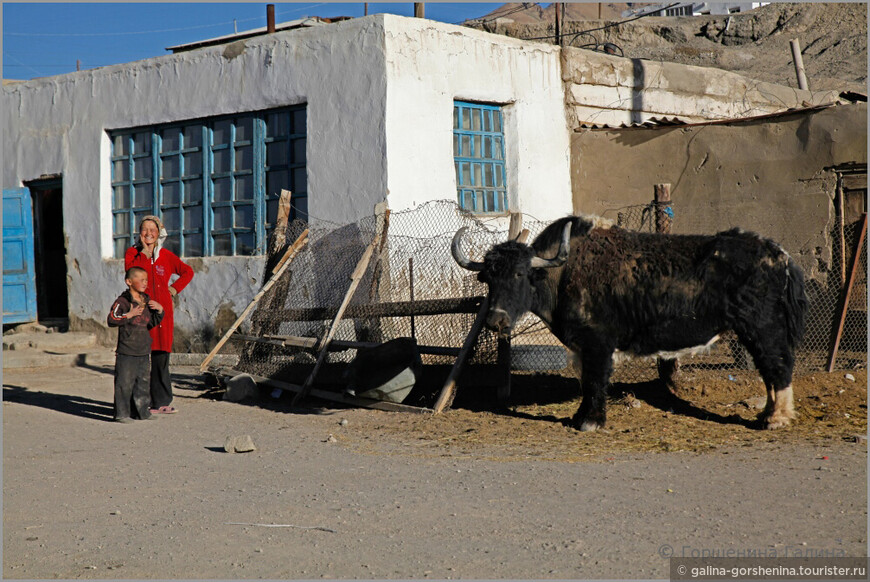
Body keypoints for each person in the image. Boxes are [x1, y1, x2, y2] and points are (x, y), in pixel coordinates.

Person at [125, 215, 194, 415]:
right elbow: (130, 273)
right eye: (144, 230)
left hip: (163, 312)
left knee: (161, 356)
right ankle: (138, 402)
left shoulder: (166, 256)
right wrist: (145, 254)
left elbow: (187, 272)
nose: (148, 233)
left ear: (159, 233)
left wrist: (173, 289)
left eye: (152, 230)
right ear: (140, 233)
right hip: (141, 311)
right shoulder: (133, 253)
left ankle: (161, 401)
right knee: (140, 356)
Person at [107, 267, 164, 423]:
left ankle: (141, 412)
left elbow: (150, 323)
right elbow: (112, 319)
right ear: (129, 281)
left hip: (143, 349)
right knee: (124, 383)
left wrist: (160, 311)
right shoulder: (123, 301)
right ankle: (122, 414)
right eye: (140, 279)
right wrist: (129, 315)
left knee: (143, 383)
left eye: (146, 280)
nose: (144, 283)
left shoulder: (146, 300)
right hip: (127, 350)